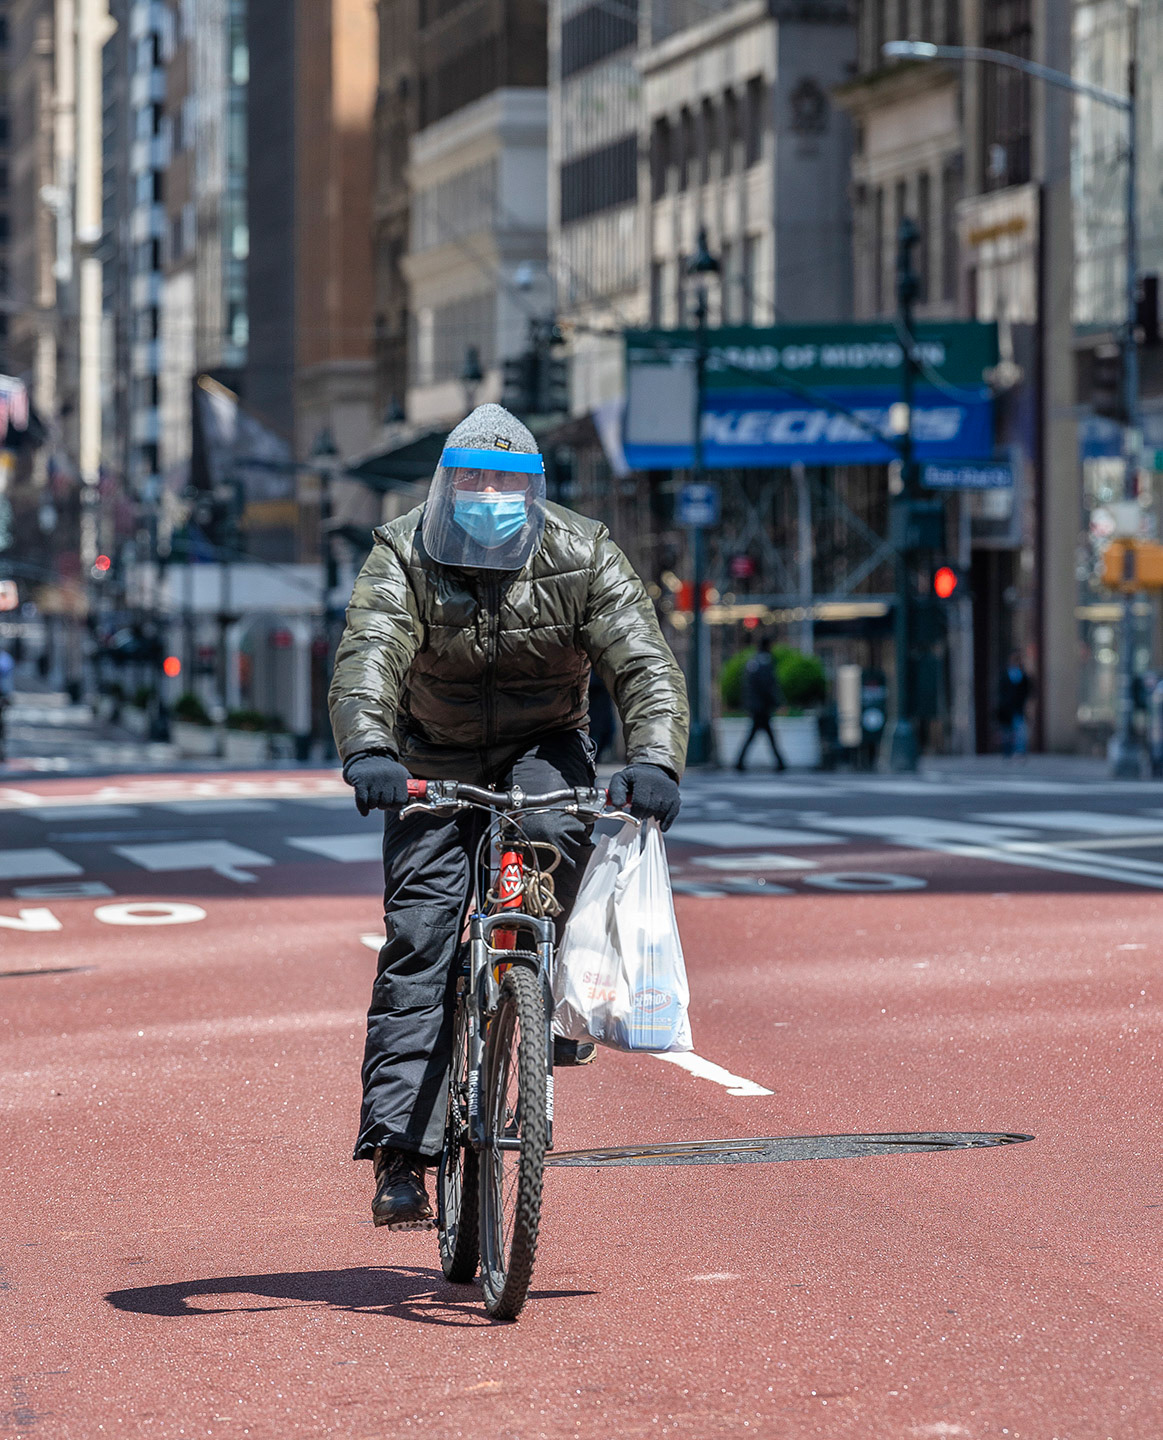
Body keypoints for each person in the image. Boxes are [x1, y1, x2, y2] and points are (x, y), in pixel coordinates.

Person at [329, 403, 689, 1229]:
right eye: (472, 481)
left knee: (559, 832)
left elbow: (644, 663)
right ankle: (400, 1155)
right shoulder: (401, 551)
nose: (486, 493)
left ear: (532, 493)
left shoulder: (583, 550)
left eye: (505, 482)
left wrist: (654, 761)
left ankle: (539, 991)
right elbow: (369, 655)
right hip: (428, 752)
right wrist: (370, 752)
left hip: (544, 742)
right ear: (447, 486)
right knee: (419, 939)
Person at [733, 635, 786, 772]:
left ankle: (740, 762)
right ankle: (779, 763)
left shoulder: (752, 663)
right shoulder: (765, 663)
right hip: (762, 707)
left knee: (757, 735)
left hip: (754, 706)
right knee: (766, 736)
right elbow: (768, 687)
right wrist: (776, 702)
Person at [997, 650, 1031, 758]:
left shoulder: (1023, 676)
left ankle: (1020, 751)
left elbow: (1027, 691)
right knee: (1007, 731)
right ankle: (1007, 751)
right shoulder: (1005, 675)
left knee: (1020, 731)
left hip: (1018, 708)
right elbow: (1001, 691)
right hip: (1006, 708)